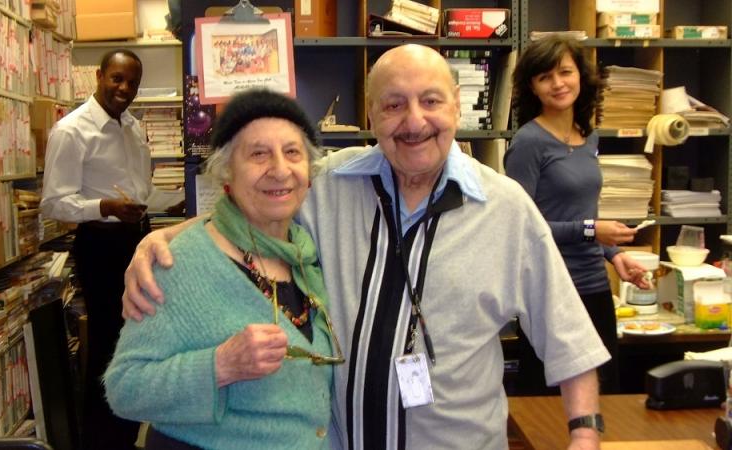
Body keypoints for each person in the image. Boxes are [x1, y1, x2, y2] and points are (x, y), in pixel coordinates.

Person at [123, 44, 610, 450]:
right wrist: (164, 238)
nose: (414, 121)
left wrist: (584, 434)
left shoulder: (506, 209)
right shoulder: (330, 184)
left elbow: (566, 333)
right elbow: (258, 196)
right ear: (371, 112)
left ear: (457, 107)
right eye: (394, 104)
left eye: (431, 101)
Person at [103, 89, 340, 450]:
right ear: (227, 171)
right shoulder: (179, 263)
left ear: (309, 171)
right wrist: (220, 366)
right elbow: (125, 387)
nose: (279, 169)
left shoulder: (308, 254)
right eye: (258, 154)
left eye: (292, 152)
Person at [504, 35, 650, 395]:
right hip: (550, 290)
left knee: (604, 397)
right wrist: (590, 231)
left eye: (565, 72)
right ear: (532, 87)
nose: (558, 84)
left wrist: (615, 255)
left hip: (594, 287)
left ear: (581, 76)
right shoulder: (528, 142)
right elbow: (521, 226)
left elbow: (584, 213)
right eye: (545, 77)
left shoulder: (588, 137)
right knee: (552, 408)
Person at [41, 49, 150, 450]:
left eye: (132, 83)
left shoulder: (133, 127)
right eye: (117, 79)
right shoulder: (72, 130)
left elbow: (137, 182)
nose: (124, 89)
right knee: (107, 343)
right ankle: (102, 440)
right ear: (100, 75)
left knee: (135, 341)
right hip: (102, 245)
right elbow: (53, 202)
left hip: (135, 236)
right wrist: (104, 207)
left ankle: (126, 432)